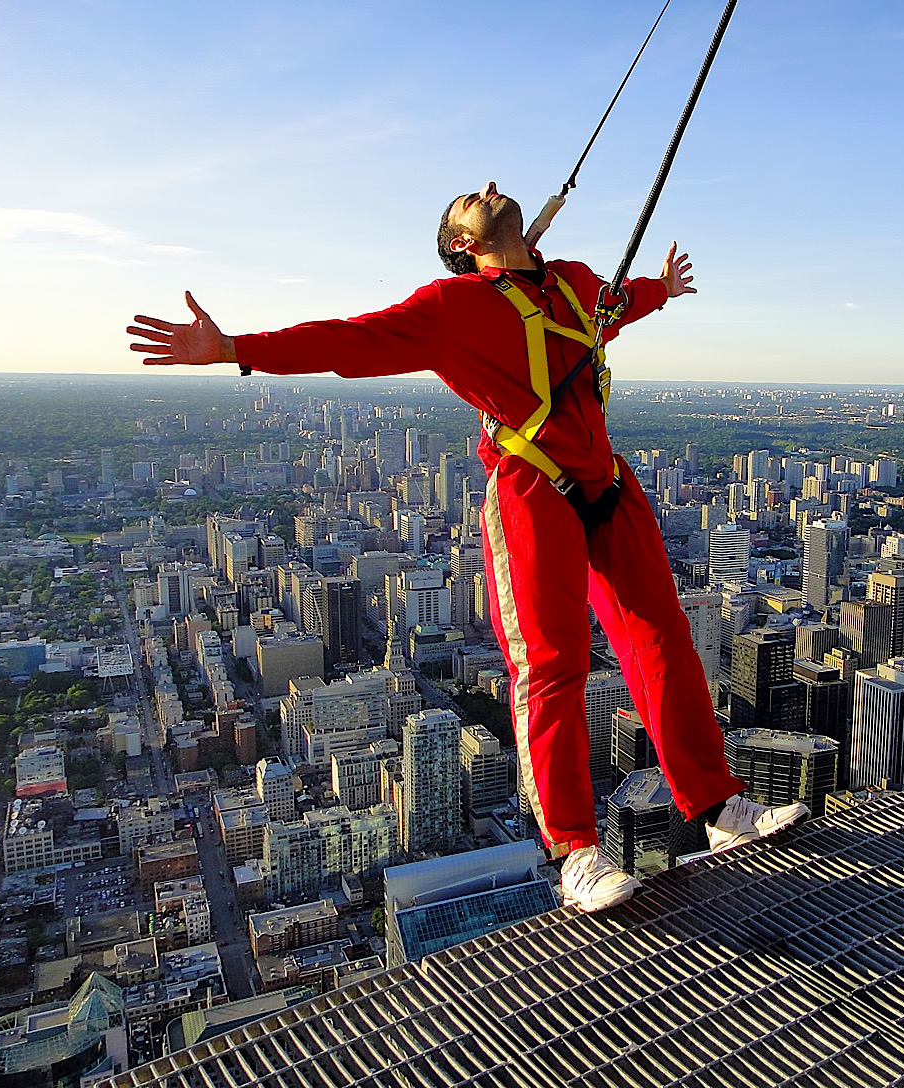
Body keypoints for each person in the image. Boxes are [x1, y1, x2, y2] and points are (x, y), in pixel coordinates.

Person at [128, 182, 807, 911]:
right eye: (465, 198)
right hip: (533, 489)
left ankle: (716, 811)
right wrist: (234, 348)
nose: (487, 187)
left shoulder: (573, 282)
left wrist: (660, 292)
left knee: (664, 640)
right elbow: (350, 339)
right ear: (461, 243)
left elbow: (613, 310)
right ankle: (576, 853)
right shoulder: (451, 309)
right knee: (552, 664)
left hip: (608, 484)